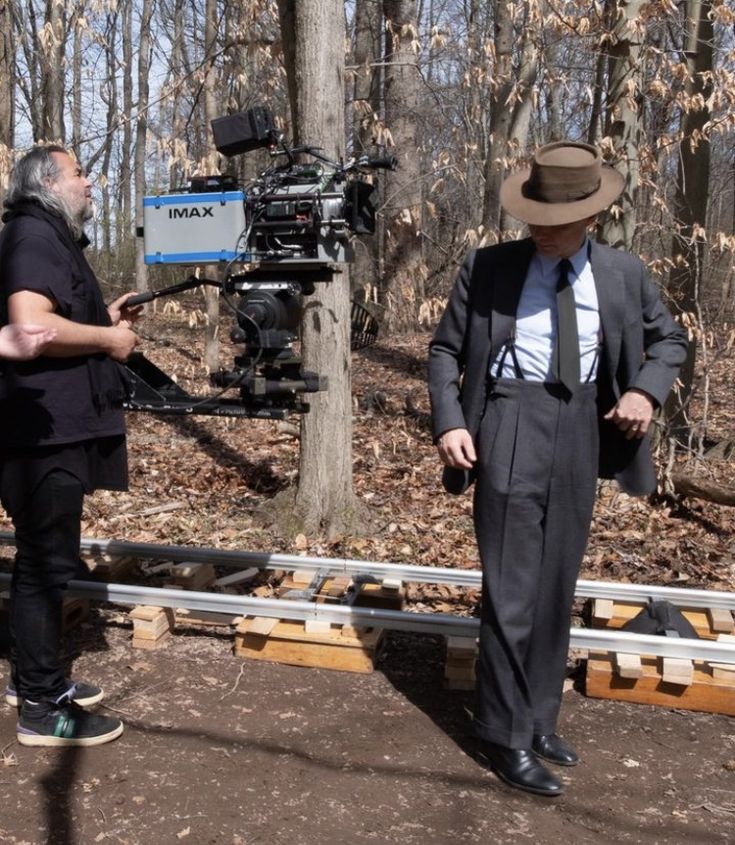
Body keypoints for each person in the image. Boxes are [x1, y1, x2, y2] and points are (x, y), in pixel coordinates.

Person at [428, 141, 688, 797]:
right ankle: (503, 733)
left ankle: (538, 716)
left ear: (590, 218)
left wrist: (643, 391)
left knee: (553, 586)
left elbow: (668, 341)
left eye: (555, 221)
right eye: (533, 217)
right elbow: (442, 351)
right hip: (508, 422)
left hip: (582, 430)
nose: (540, 230)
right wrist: (451, 419)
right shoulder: (487, 268)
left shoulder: (623, 274)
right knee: (511, 590)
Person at [0, 144, 142, 747]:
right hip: (42, 437)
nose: (90, 183)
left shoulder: (46, 238)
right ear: (49, 183)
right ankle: (41, 705)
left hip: (52, 430)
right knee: (43, 565)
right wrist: (109, 341)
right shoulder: (33, 236)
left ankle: (32, 677)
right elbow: (30, 331)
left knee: (43, 561)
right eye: (80, 173)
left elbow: (55, 319)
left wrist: (100, 318)